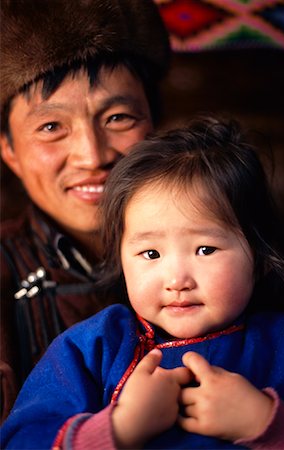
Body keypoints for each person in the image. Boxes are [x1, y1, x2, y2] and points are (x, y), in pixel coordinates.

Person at [1, 117, 284, 449]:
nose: (176, 280)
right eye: (151, 253)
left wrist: (266, 422)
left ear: (258, 258)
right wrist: (119, 428)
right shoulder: (93, 347)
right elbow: (20, 439)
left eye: (205, 249)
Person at [0, 0, 170, 422]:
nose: (92, 155)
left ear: (155, 126)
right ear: (8, 150)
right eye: (51, 127)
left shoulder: (231, 246)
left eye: (117, 117)